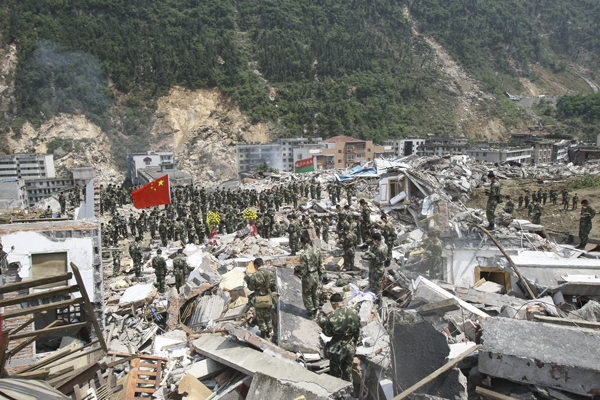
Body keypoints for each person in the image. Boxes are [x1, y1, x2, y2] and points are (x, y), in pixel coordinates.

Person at [317, 293, 360, 382]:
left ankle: (338, 393)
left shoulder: (332, 316)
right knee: (348, 371)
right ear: (342, 302)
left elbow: (328, 334)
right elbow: (357, 332)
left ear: (333, 303)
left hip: (337, 348)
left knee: (335, 374)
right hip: (350, 346)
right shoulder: (355, 313)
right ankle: (349, 391)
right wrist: (354, 343)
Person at [244, 258, 277, 340]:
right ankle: (270, 331)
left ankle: (263, 333)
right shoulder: (271, 273)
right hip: (269, 296)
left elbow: (251, 288)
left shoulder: (255, 275)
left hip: (259, 297)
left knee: (260, 316)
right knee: (268, 314)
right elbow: (274, 286)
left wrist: (248, 280)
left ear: (255, 265)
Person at [294, 236, 323, 318]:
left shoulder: (304, 254)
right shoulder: (317, 250)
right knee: (315, 292)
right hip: (316, 274)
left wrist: (299, 274)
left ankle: (310, 311)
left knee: (307, 294)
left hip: (308, 276)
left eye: (302, 244)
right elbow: (321, 263)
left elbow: (303, 269)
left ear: (304, 243)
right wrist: (320, 273)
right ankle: (316, 308)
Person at [361, 232, 387, 302]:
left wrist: (365, 256)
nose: (373, 241)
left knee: (376, 284)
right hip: (378, 267)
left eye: (373, 240)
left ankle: (377, 298)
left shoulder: (379, 248)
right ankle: (374, 296)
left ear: (376, 240)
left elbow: (373, 257)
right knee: (374, 282)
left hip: (377, 268)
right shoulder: (384, 245)